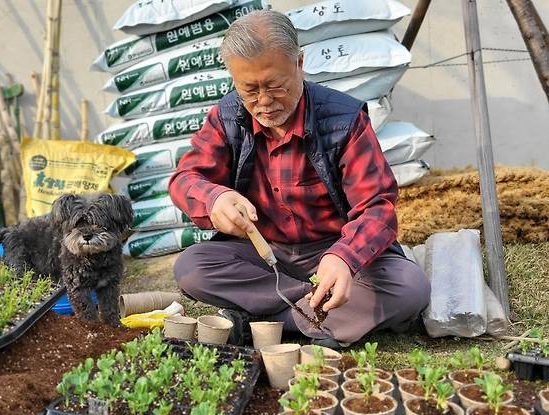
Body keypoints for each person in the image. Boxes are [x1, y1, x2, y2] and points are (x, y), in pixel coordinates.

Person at [168, 10, 430, 348]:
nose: (264, 102)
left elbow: (378, 208)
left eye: (275, 85)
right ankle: (317, 318)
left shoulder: (343, 120)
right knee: (192, 267)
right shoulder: (228, 116)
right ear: (233, 80)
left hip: (332, 250)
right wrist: (213, 198)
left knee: (409, 287)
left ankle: (262, 321)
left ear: (300, 63)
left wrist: (345, 257)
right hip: (264, 252)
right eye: (250, 89)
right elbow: (185, 178)